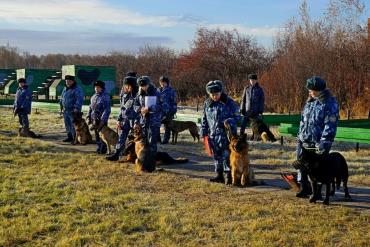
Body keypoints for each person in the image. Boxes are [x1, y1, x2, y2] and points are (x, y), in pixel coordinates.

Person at [294, 76, 339, 197]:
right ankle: (304, 187)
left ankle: (317, 192)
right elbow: (303, 120)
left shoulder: (329, 103)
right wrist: (300, 136)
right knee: (302, 164)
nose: (309, 92)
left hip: (318, 143)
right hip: (304, 140)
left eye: (311, 89)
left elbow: (330, 125)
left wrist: (324, 143)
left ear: (318, 90)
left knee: (317, 169)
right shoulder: (310, 101)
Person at [200, 80, 240, 184]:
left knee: (226, 155)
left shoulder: (229, 102)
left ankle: (228, 176)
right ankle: (219, 175)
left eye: (217, 94)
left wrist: (229, 121)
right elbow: (204, 119)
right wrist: (203, 133)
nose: (215, 97)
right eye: (212, 95)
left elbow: (237, 117)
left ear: (221, 92)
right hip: (213, 135)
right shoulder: (207, 104)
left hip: (226, 135)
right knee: (216, 156)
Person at [106, 75, 138, 161]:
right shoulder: (124, 95)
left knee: (135, 139)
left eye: (126, 86)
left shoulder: (138, 96)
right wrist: (119, 120)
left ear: (131, 86)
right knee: (121, 137)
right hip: (124, 120)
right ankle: (117, 154)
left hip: (134, 121)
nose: (124, 87)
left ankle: (136, 155)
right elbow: (122, 108)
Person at [134, 76, 162, 153]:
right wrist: (140, 109)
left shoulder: (156, 93)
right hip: (144, 121)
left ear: (149, 84)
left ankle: (152, 160)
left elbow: (163, 106)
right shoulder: (139, 94)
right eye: (141, 86)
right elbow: (135, 105)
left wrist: (149, 108)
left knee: (152, 142)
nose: (143, 88)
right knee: (144, 141)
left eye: (145, 86)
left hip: (154, 121)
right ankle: (145, 159)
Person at [87, 80, 111, 154]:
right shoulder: (93, 96)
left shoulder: (105, 96)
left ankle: (103, 148)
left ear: (102, 88)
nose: (96, 89)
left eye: (98, 87)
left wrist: (103, 120)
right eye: (95, 87)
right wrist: (88, 116)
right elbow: (90, 107)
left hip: (101, 120)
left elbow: (107, 109)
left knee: (103, 135)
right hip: (94, 119)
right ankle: (99, 147)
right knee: (97, 134)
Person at [60, 75, 84, 143]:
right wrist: (61, 105)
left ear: (73, 81)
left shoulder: (77, 89)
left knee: (74, 125)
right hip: (65, 110)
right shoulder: (65, 88)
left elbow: (79, 99)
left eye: (69, 81)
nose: (68, 82)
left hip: (73, 111)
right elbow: (62, 97)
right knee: (67, 124)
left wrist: (76, 108)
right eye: (66, 81)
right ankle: (69, 137)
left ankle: (75, 138)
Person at [157, 76, 177, 144]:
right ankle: (157, 139)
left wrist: (173, 111)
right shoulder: (157, 90)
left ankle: (166, 140)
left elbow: (174, 102)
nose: (162, 83)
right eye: (161, 82)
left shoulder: (171, 90)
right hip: (159, 111)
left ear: (167, 83)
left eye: (163, 82)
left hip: (168, 111)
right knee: (156, 125)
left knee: (167, 127)